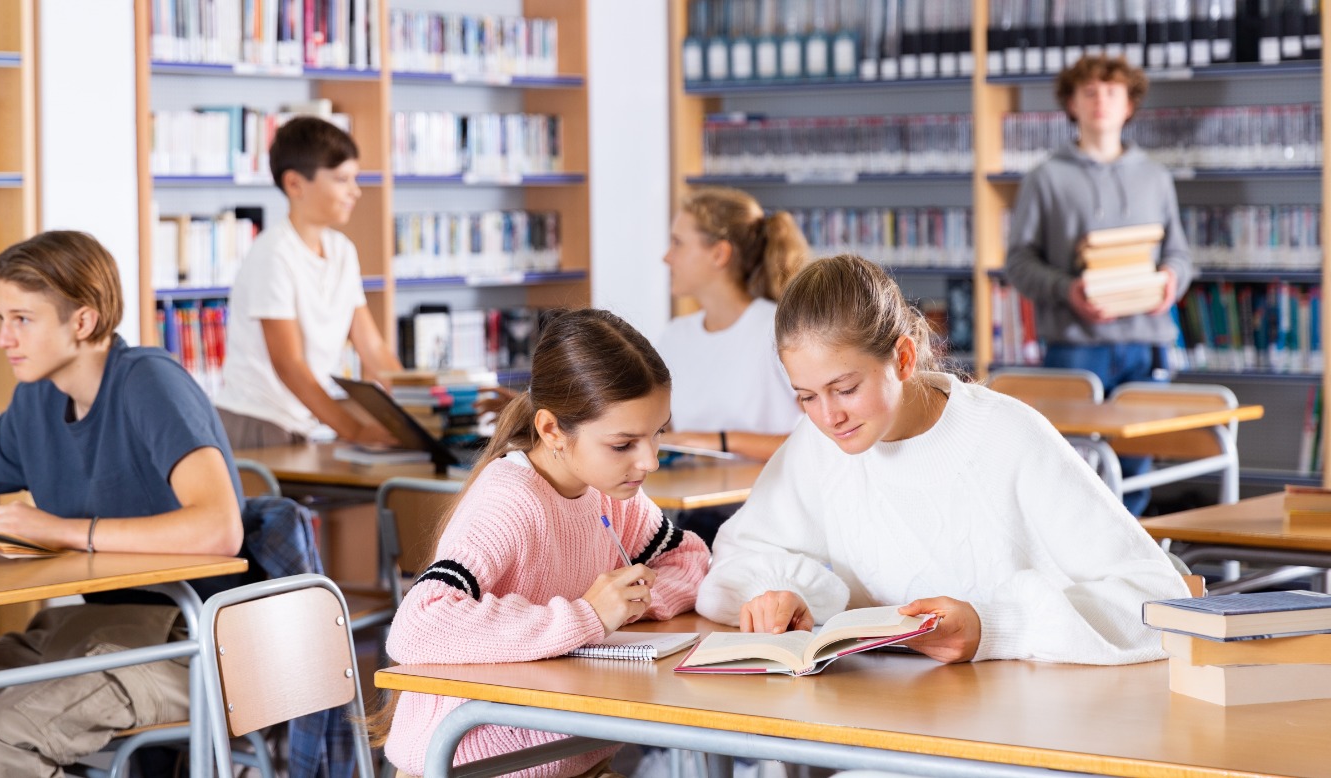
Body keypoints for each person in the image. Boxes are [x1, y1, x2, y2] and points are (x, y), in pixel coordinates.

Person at [0, 231, 246, 778]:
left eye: (22, 320)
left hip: (195, 639)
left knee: (0, 738)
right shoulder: (36, 395)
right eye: (1, 318)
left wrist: (63, 529)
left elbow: (220, 529)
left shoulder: (149, 382)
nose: (4, 338)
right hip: (97, 630)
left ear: (82, 321)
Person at [696, 254, 1189, 666]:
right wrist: (783, 593)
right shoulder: (818, 442)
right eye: (805, 396)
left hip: (1032, 721)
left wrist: (992, 627)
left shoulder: (1007, 436)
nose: (828, 417)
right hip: (893, 720)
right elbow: (731, 563)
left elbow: (1158, 601)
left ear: (904, 359)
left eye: (845, 389)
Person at [376, 309, 711, 778]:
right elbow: (419, 623)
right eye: (624, 444)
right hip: (474, 762)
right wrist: (586, 616)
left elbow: (690, 557)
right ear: (553, 430)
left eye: (657, 434)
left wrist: (633, 603)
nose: (650, 460)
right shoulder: (511, 499)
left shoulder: (608, 492)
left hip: (572, 752)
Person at [1003, 54, 1193, 516]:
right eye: (1089, 92)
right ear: (1071, 104)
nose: (1100, 102)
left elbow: (1180, 254)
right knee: (1072, 473)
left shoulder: (1155, 176)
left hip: (1144, 347)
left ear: (1130, 104)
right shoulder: (1045, 177)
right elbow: (1018, 262)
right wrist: (1068, 290)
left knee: (1138, 475)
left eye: (1112, 92)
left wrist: (1172, 280)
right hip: (1074, 349)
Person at [214, 115, 405, 450]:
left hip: (303, 422)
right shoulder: (273, 254)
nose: (355, 191)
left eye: (354, 179)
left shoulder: (343, 251)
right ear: (295, 185)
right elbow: (289, 364)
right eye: (342, 180)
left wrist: (416, 414)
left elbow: (372, 349)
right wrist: (354, 431)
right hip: (255, 423)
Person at [657, 187, 807, 464]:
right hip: (693, 499)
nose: (667, 257)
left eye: (678, 243)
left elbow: (820, 444)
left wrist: (719, 442)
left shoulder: (779, 329)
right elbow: (664, 432)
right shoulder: (675, 336)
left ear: (719, 254)